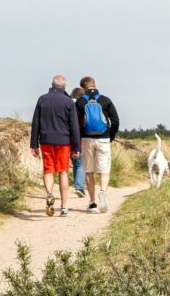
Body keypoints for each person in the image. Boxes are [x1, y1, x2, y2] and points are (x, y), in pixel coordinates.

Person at [30, 75, 81, 217]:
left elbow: (36, 123)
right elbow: (74, 127)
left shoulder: (42, 99)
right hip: (64, 142)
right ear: (64, 87)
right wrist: (76, 147)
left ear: (52, 85)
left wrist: (34, 144)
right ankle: (64, 207)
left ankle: (49, 194)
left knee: (48, 171)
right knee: (63, 172)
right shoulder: (68, 101)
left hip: (46, 141)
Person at [75, 76, 119, 213]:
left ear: (83, 88)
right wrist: (110, 136)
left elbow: (75, 124)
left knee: (89, 170)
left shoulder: (80, 101)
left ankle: (93, 202)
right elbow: (115, 121)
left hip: (87, 139)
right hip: (103, 139)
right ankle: (103, 193)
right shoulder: (106, 100)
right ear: (95, 85)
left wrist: (78, 139)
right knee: (104, 169)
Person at [69, 87, 86, 197]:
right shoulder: (82, 106)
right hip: (79, 139)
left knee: (75, 163)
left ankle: (77, 186)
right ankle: (79, 187)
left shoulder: (68, 104)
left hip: (67, 140)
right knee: (80, 164)